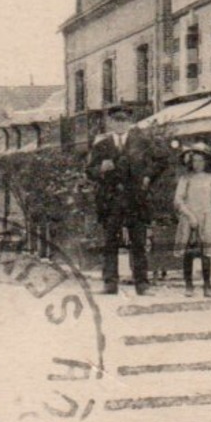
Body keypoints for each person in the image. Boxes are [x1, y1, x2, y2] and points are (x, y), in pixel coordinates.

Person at [85, 104, 157, 296]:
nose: (120, 124)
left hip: (136, 200)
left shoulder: (143, 142)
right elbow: (89, 171)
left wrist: (148, 177)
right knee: (110, 243)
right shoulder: (101, 146)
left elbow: (162, 160)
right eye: (116, 120)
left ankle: (142, 284)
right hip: (111, 201)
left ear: (130, 122)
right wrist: (100, 168)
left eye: (123, 120)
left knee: (139, 243)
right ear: (110, 122)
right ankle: (110, 284)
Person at [173, 143, 211, 297]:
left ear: (206, 162)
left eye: (201, 160)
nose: (197, 164)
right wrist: (189, 216)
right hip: (189, 220)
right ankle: (189, 286)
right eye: (195, 160)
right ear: (190, 162)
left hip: (207, 219)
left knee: (206, 254)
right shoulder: (185, 179)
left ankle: (207, 285)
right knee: (189, 254)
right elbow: (178, 200)